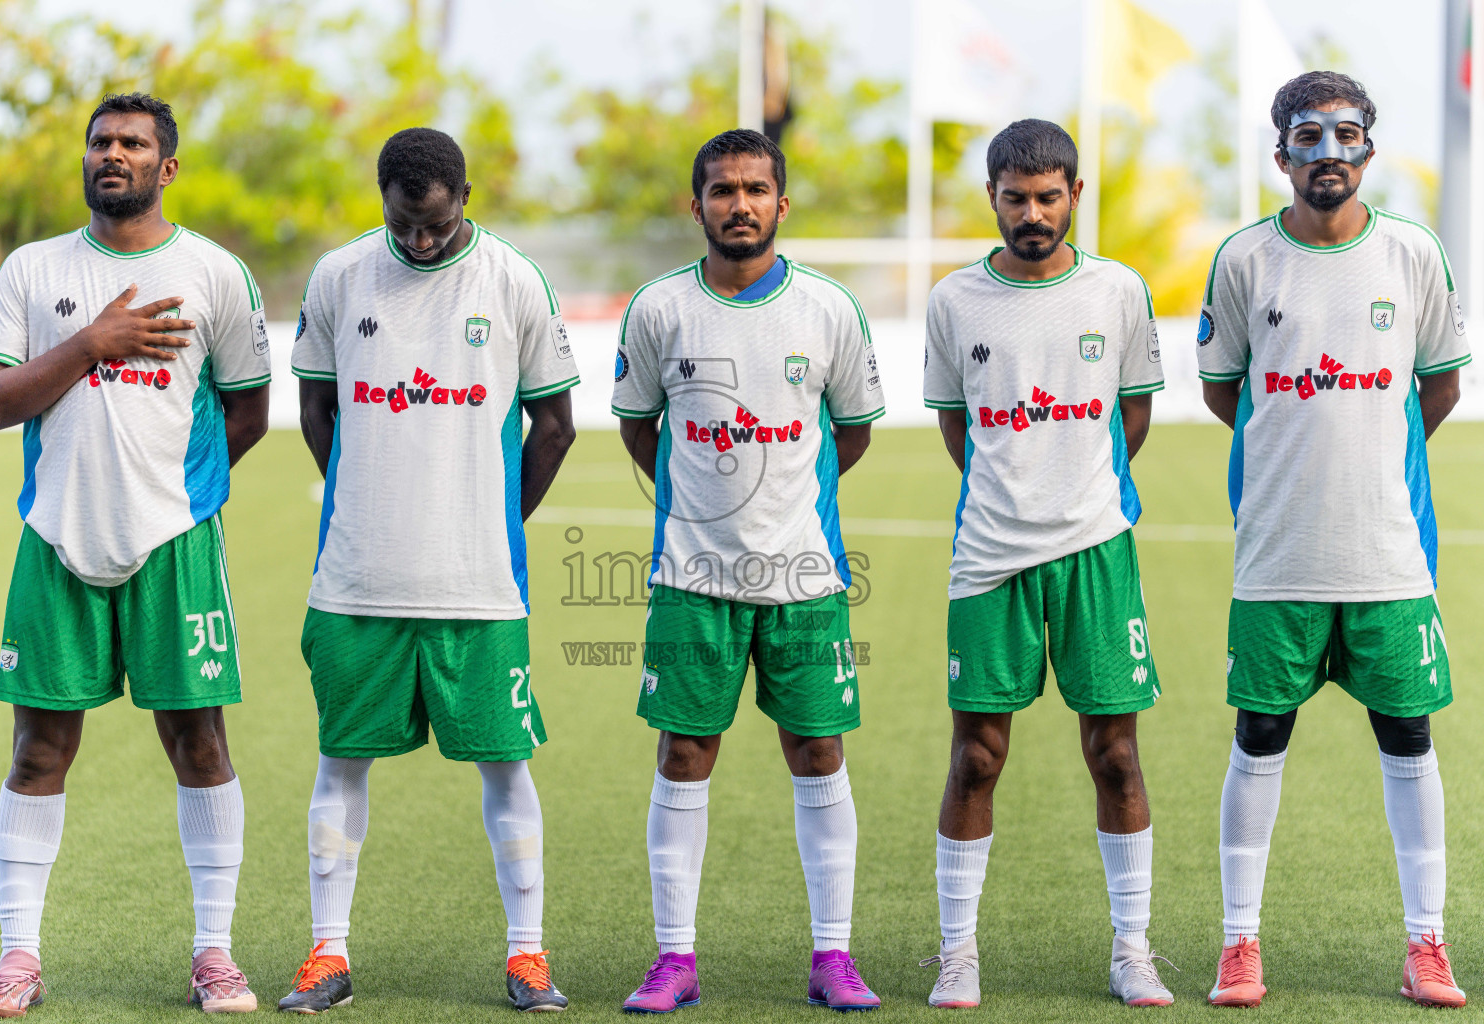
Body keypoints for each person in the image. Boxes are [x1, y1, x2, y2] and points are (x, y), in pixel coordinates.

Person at [0, 92, 270, 1017]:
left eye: (133, 143)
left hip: (175, 543)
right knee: (38, 750)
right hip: (56, 536)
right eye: (100, 142)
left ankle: (214, 955)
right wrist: (93, 342)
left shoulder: (214, 272)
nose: (113, 153)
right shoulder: (34, 268)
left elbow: (249, 409)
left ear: (165, 167)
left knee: (199, 743)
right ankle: (18, 958)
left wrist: (174, 494)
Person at [280, 127, 579, 1014]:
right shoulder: (340, 276)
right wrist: (366, 499)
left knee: (506, 766)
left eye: (437, 226)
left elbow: (556, 425)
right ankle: (326, 954)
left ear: (465, 200)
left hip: (478, 587)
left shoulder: (513, 280)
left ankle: (528, 957)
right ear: (383, 199)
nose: (419, 241)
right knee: (340, 760)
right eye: (403, 224)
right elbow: (317, 407)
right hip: (356, 581)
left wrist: (490, 518)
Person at [1198, 72, 1470, 1009]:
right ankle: (1239, 943)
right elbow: (1224, 391)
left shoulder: (1412, 253)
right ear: (1281, 154)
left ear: (1369, 149)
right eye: (1308, 136)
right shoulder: (1244, 260)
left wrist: (1372, 454)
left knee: (1409, 736)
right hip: (1278, 553)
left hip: (1389, 552)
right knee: (1259, 734)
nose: (1328, 152)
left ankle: (1427, 943)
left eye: (1346, 134)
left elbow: (1439, 385)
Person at [611, 128, 885, 1013]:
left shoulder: (829, 310)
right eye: (722, 190)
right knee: (684, 752)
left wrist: (782, 501)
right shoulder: (659, 309)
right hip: (691, 579)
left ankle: (834, 955)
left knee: (819, 750)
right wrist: (702, 503)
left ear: (782, 203)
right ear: (696, 205)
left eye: (755, 189)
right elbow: (638, 426)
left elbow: (852, 431)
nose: (740, 205)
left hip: (805, 579)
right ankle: (674, 958)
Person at [918, 119, 1172, 1009]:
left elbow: (1133, 415)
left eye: (1048, 197)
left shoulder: (1118, 291)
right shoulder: (954, 300)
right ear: (992, 197)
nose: (1033, 214)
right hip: (990, 557)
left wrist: (1078, 488)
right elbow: (956, 424)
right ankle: (957, 953)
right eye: (1016, 198)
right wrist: (1015, 489)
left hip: (1097, 552)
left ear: (1074, 195)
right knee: (976, 757)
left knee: (1116, 755)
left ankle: (1133, 950)